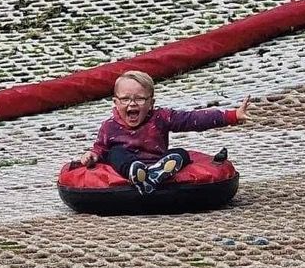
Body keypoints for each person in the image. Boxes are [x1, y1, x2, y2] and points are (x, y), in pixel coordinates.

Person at [79, 70, 251, 195]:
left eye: (140, 99)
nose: (132, 104)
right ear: (116, 102)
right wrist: (92, 155)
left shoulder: (161, 117)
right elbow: (100, 148)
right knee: (115, 153)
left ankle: (155, 173)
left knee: (181, 153)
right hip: (127, 165)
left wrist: (232, 116)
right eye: (125, 99)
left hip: (157, 161)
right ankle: (136, 172)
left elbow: (193, 119)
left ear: (151, 103)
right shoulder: (109, 126)